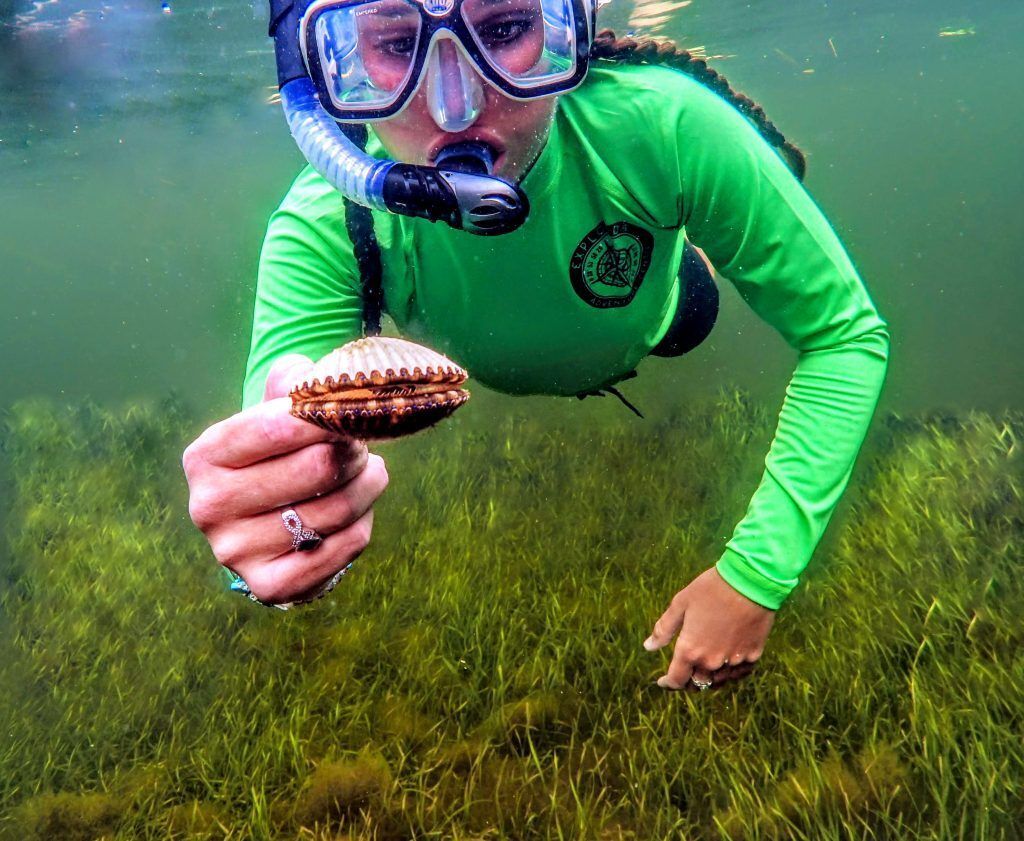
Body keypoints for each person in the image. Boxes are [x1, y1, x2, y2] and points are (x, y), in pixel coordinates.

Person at [182, 0, 890, 694]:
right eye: (398, 45)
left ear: (572, 26)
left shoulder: (663, 125)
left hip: (664, 319)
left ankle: (687, 248)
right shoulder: (327, 224)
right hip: (503, 348)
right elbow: (262, 498)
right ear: (324, 66)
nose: (455, 110)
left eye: (508, 28)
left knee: (689, 305)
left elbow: (845, 334)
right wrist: (264, 536)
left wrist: (755, 579)